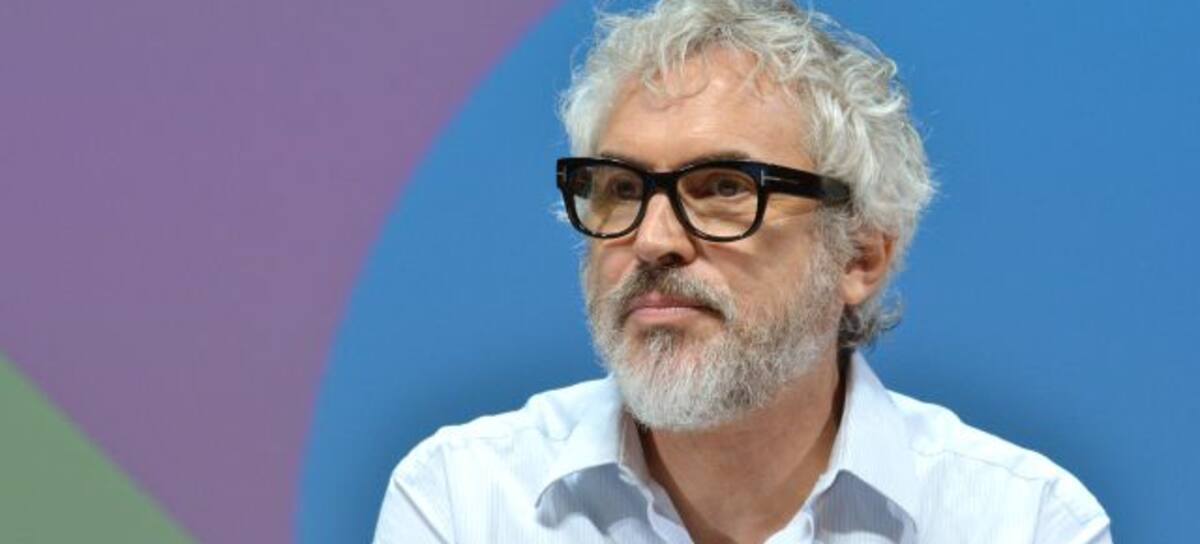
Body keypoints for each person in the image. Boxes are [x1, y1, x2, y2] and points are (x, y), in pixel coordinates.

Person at [374, 1, 1111, 542]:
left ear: (861, 254)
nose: (653, 239)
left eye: (725, 188)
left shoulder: (1023, 522)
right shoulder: (465, 501)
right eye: (621, 188)